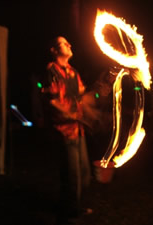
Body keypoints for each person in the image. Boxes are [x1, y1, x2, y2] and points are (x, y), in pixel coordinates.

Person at [40, 36, 93, 225]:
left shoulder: (73, 72)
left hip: (78, 128)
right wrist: (69, 114)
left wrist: (101, 88)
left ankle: (74, 205)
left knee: (85, 172)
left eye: (69, 42)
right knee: (72, 174)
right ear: (54, 51)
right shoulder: (51, 70)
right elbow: (52, 100)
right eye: (64, 43)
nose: (69, 44)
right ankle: (70, 214)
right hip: (64, 129)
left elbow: (82, 94)